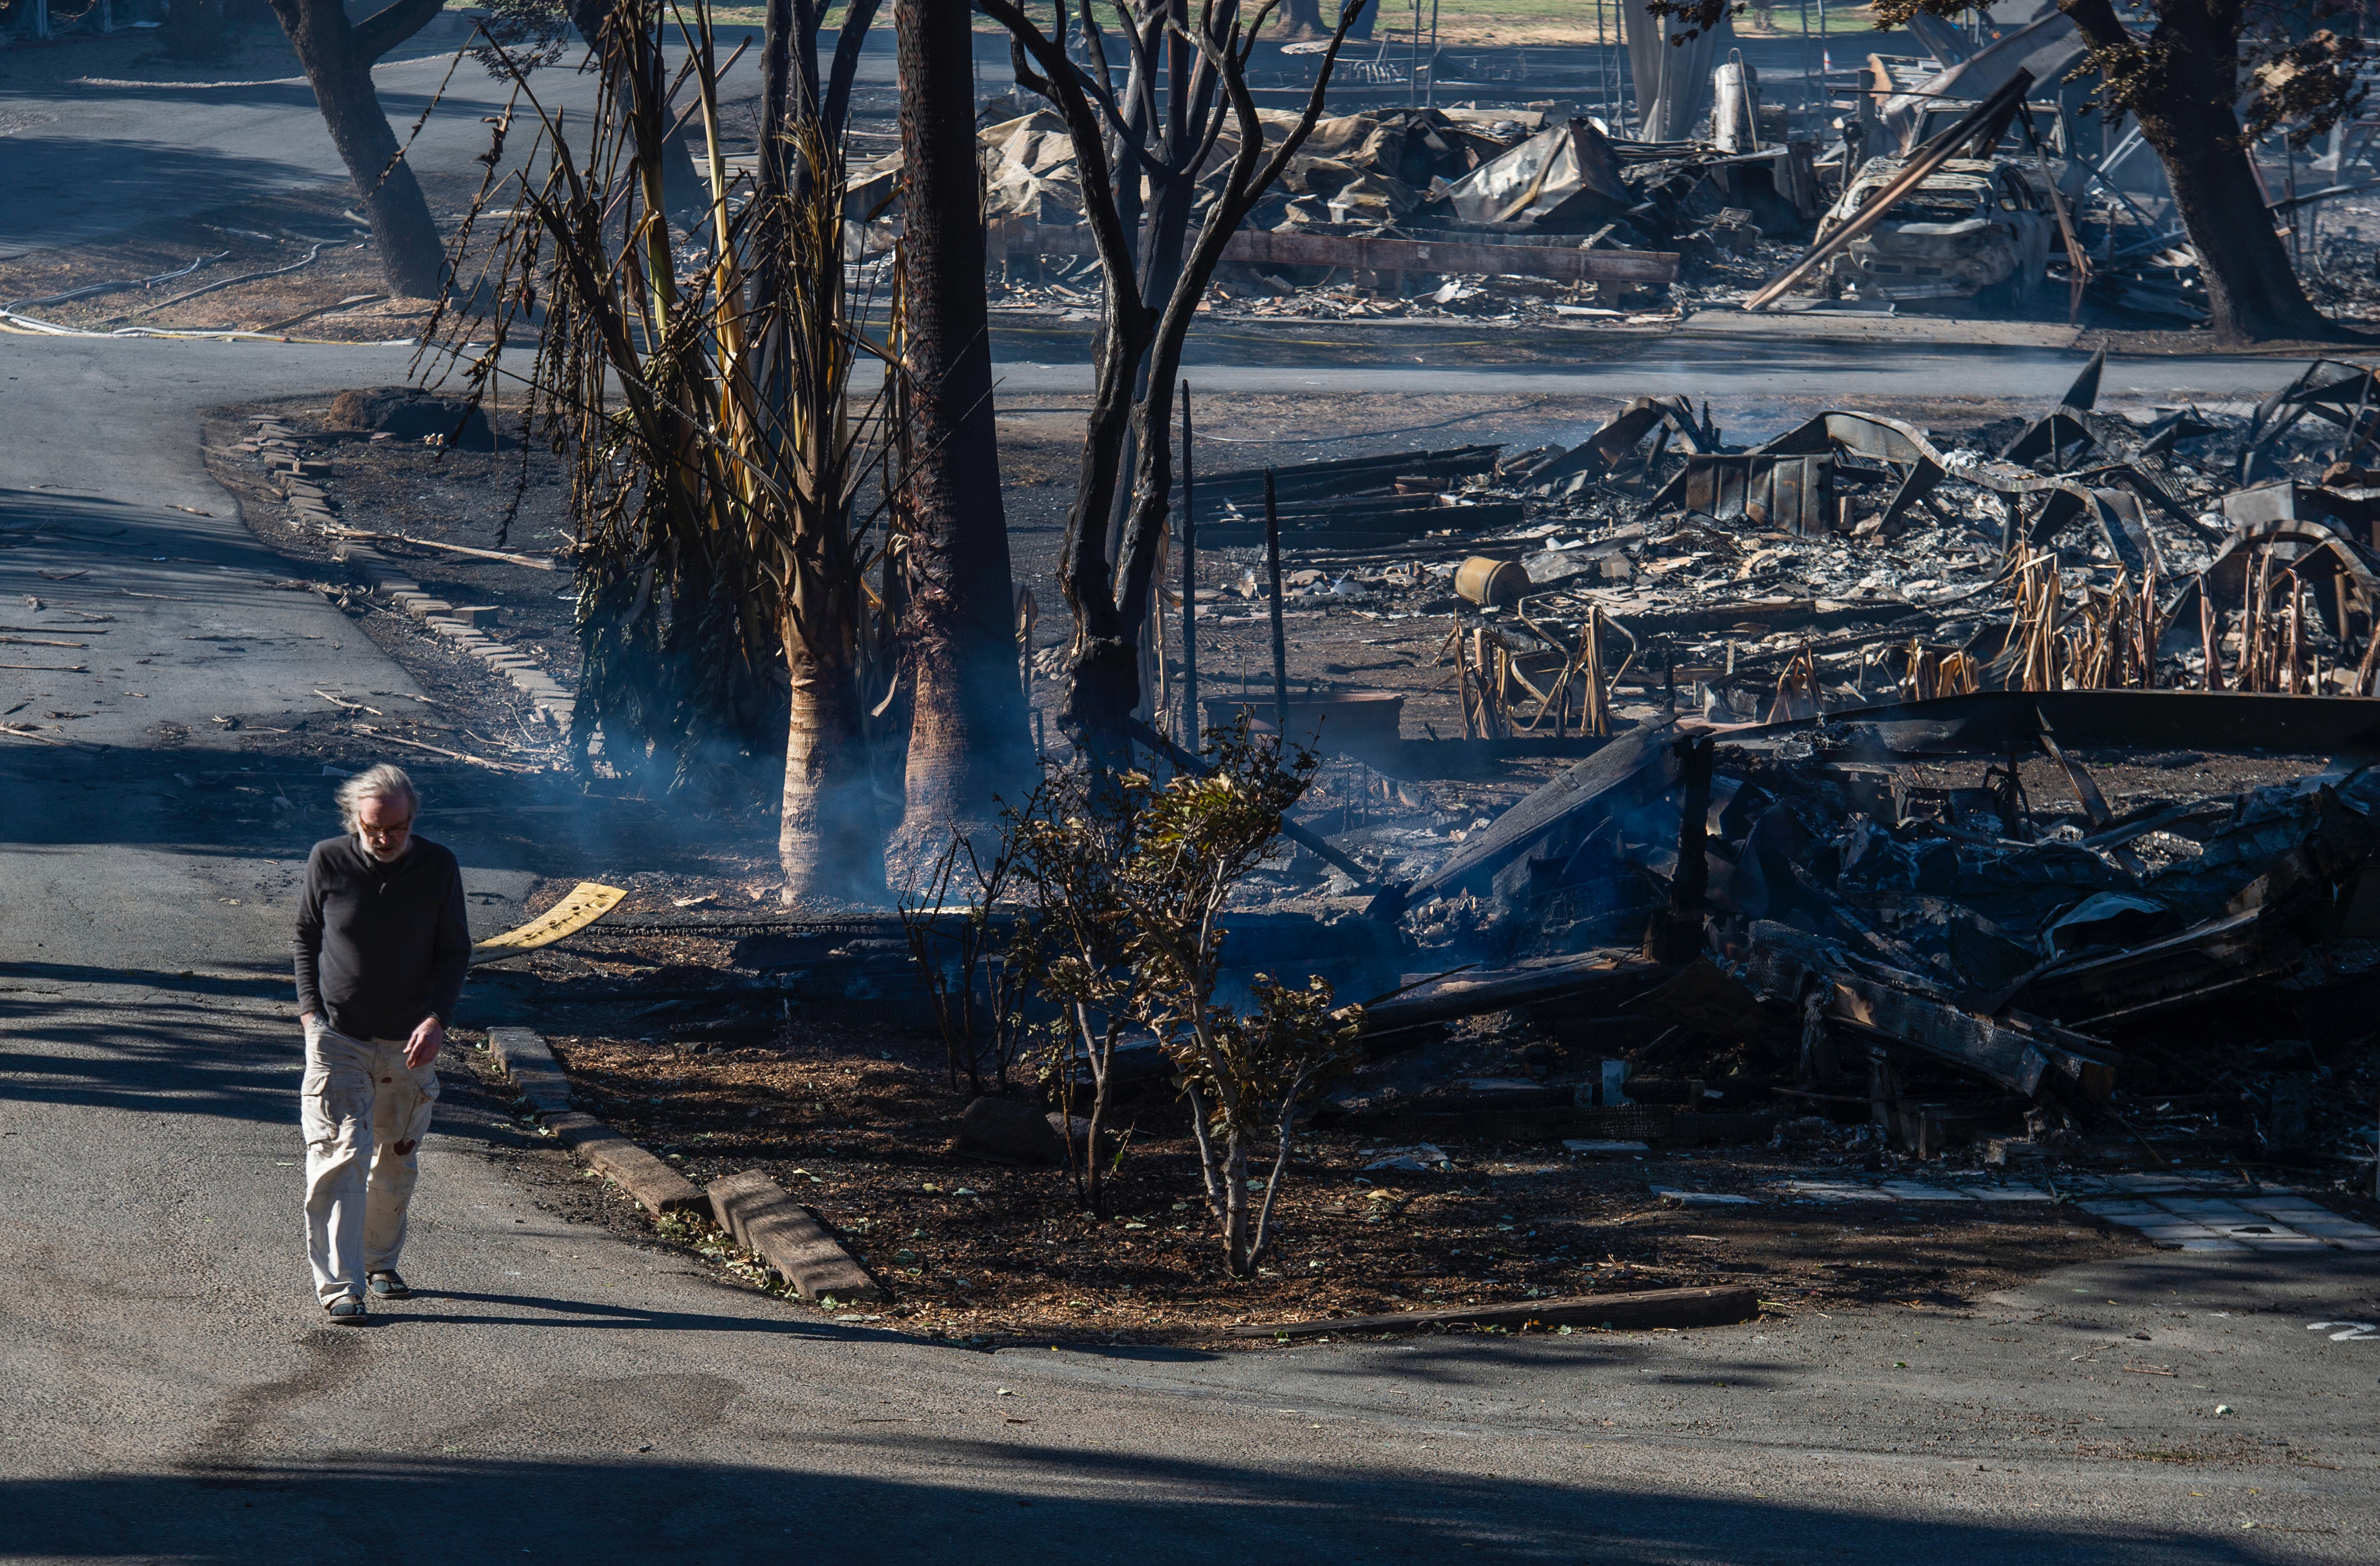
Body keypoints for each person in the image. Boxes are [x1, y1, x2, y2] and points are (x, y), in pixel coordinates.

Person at [291, 764, 469, 1320]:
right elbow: (305, 934)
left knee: (395, 1163)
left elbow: (454, 950)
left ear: (413, 818)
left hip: (410, 1044)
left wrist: (439, 1017)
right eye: (375, 829)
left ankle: (378, 1262)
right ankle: (340, 1287)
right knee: (338, 1159)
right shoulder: (328, 859)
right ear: (354, 822)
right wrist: (308, 1015)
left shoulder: (438, 865)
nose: (387, 839)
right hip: (338, 1038)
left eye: (398, 826)